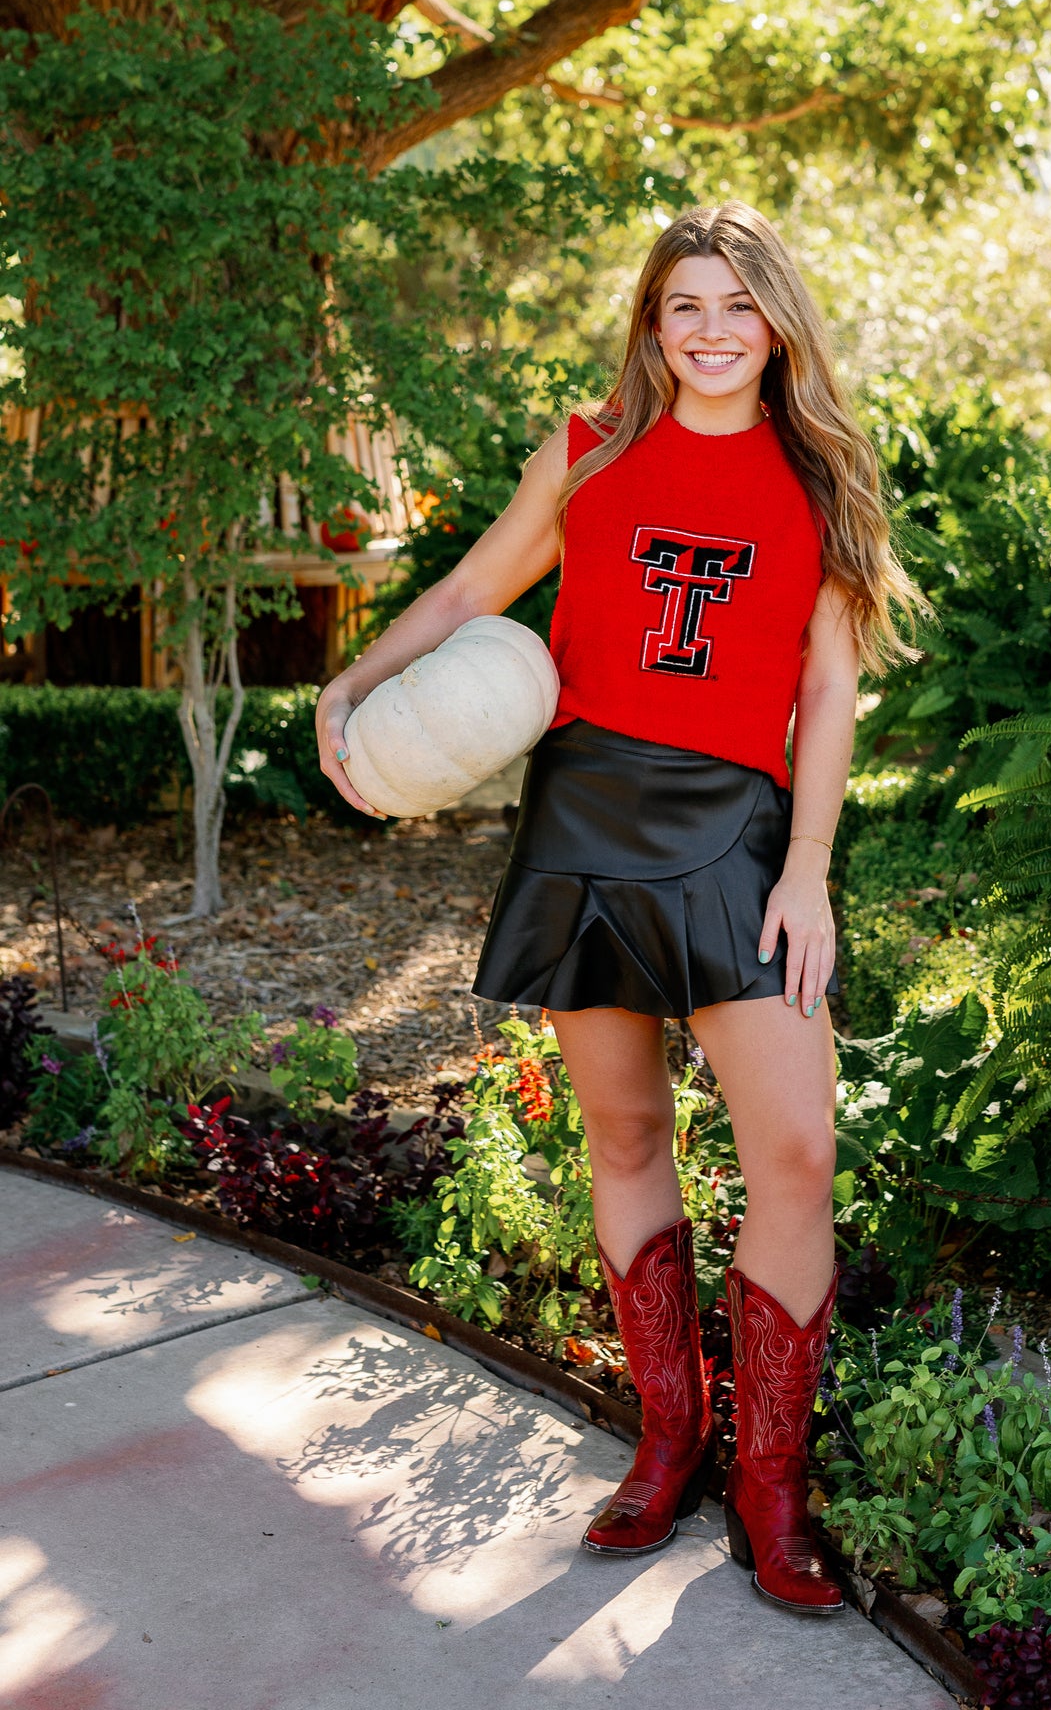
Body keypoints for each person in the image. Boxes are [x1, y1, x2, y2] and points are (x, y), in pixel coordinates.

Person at [316, 202, 917, 1615]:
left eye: (734, 305)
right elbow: (472, 586)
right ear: (652, 325)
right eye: (680, 307)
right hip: (584, 813)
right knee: (628, 1128)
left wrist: (807, 864)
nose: (708, 332)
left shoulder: (820, 469)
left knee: (793, 1150)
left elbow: (828, 690)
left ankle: (772, 1493)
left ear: (776, 322)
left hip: (736, 831)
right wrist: (349, 686)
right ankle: (669, 1440)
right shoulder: (588, 452)